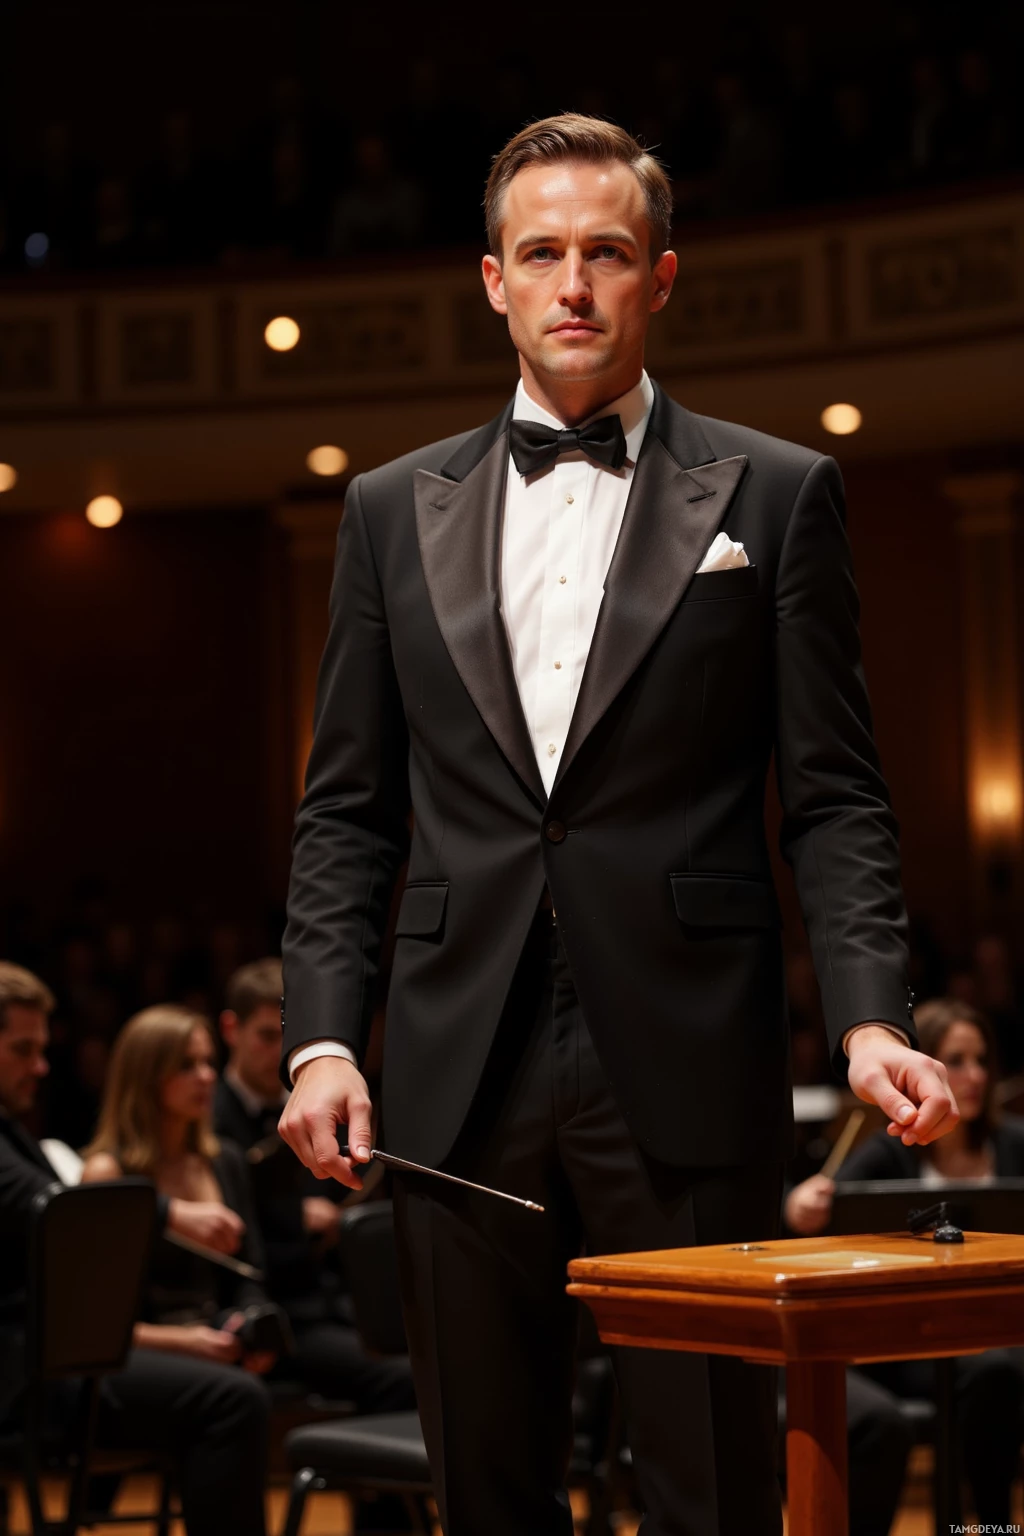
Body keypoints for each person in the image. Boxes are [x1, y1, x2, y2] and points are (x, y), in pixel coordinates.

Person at [279, 114, 959, 1536]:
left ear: (662, 276)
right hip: (457, 1069)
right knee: (490, 1486)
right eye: (543, 253)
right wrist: (325, 1038)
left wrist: (869, 1020)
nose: (573, 282)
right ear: (493, 281)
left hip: (689, 1050)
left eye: (605, 252)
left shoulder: (776, 494)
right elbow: (347, 812)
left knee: (711, 1481)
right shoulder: (389, 511)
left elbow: (834, 796)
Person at [0, 964, 269, 1536]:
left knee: (236, 1391)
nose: (41, 1068)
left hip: (60, 1356)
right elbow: (64, 1211)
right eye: (23, 1050)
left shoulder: (12, 1130)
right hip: (28, 1372)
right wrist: (173, 1212)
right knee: (231, 1401)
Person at [786, 999, 1024, 1526]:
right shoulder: (892, 1149)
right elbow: (815, 1210)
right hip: (906, 1341)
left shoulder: (1014, 1145)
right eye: (956, 1061)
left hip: (1003, 1332)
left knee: (998, 1370)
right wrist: (797, 1204)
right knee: (992, 1371)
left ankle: (992, 1523)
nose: (975, 1075)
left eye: (982, 1060)